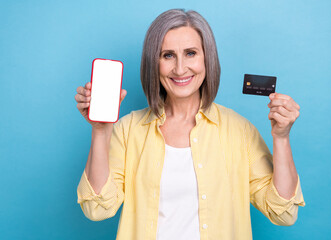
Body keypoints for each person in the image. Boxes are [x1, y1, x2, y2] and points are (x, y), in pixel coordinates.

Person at [75, 9, 305, 240]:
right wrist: (100, 131)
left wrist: (281, 137)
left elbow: (284, 213)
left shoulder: (240, 131)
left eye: (191, 53)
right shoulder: (128, 130)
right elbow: (97, 209)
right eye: (168, 55)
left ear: (207, 58)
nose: (180, 68)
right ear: (153, 63)